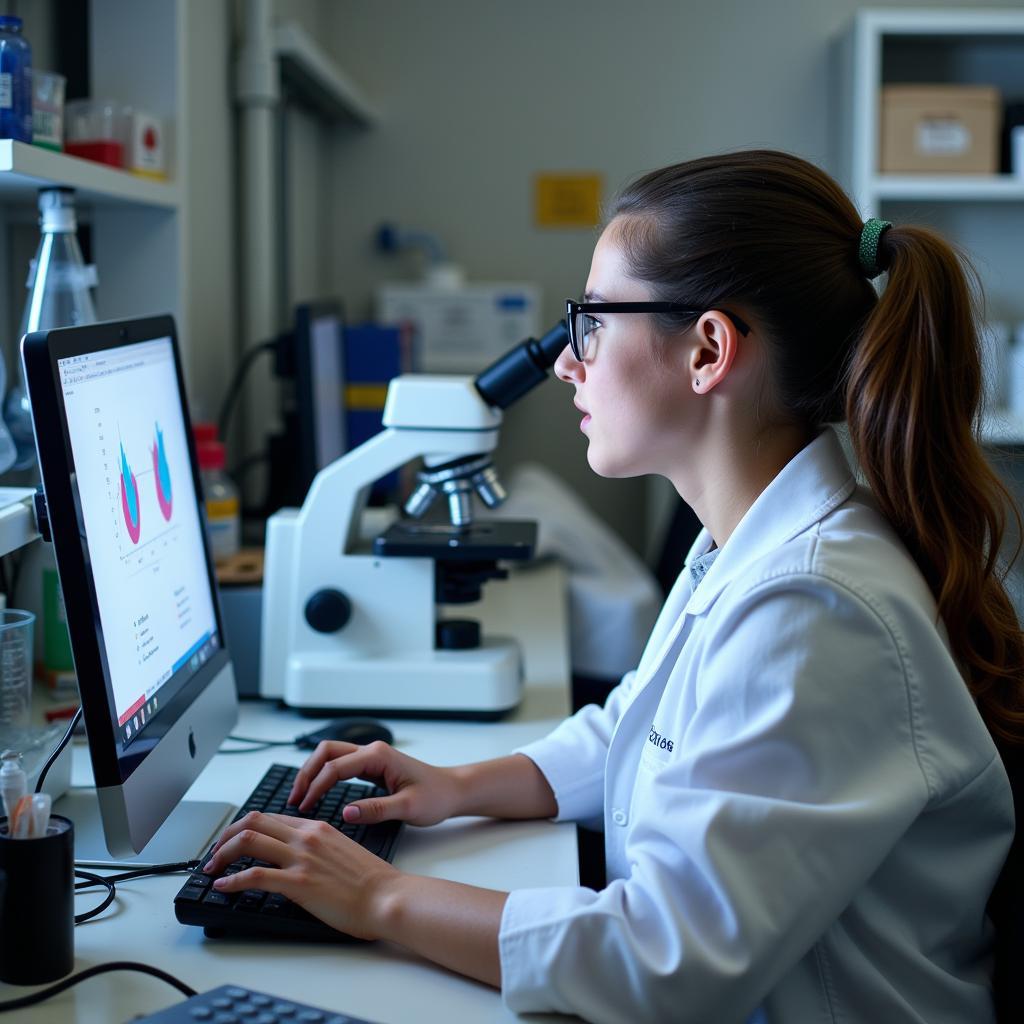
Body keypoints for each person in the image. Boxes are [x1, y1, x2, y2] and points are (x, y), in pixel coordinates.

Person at [203, 151, 1024, 1023]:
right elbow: (639, 729)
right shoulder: (749, 545)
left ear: (709, 349)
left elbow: (667, 960)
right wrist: (458, 786)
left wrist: (379, 899)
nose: (567, 362)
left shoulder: (814, 606)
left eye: (590, 320)